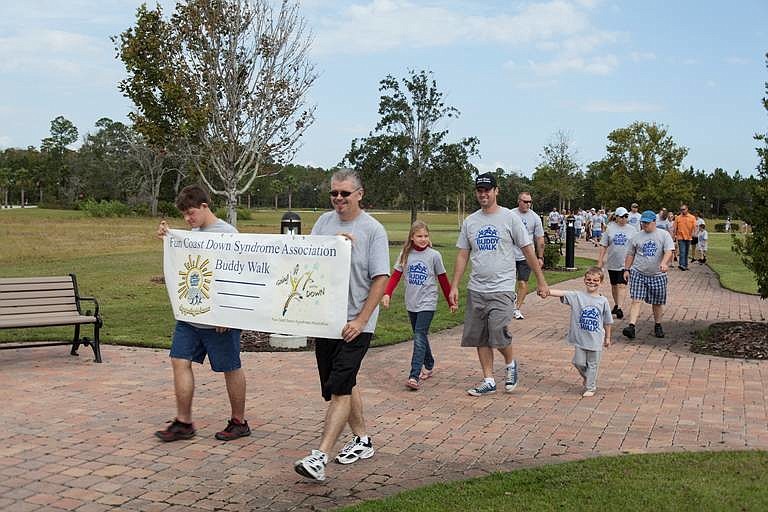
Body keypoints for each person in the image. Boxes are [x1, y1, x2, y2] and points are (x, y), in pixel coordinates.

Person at [294, 169, 390, 482]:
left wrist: (361, 321)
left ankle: (319, 457)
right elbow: (307, 260)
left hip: (356, 323)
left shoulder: (373, 230)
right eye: (334, 193)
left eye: (344, 194)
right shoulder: (324, 223)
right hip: (327, 320)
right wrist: (335, 247)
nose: (338, 199)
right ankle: (362, 440)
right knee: (341, 384)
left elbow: (381, 279)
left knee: (339, 388)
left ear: (359, 194)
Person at [154, 185, 251, 443]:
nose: (188, 218)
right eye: (184, 215)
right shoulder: (193, 234)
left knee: (230, 367)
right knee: (179, 360)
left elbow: (236, 276)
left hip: (219, 318)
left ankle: (239, 422)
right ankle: (184, 422)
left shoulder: (228, 234)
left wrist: (226, 313)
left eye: (191, 212)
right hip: (191, 315)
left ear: (205, 206)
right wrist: (169, 237)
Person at [449, 173, 550, 397]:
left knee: (497, 330)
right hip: (477, 288)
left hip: (502, 287)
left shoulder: (509, 218)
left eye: (487, 190)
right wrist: (454, 286)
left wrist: (541, 280)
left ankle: (511, 363)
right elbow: (463, 255)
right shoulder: (470, 221)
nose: (483, 194)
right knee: (480, 337)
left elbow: (527, 249)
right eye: (479, 190)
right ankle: (488, 379)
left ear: (496, 191)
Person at [381, 220, 456, 390]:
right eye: (419, 236)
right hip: (411, 302)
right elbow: (395, 276)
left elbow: (443, 279)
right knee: (419, 334)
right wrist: (387, 293)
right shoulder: (405, 255)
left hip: (428, 301)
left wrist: (450, 300)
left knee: (419, 335)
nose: (423, 239)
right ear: (412, 237)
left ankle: (414, 376)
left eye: (426, 236)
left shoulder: (434, 255)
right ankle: (429, 364)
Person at [547, 267, 612, 397]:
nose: (592, 282)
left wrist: (608, 338)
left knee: (593, 364)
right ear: (584, 280)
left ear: (601, 282)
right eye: (589, 279)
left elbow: (607, 321)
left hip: (596, 339)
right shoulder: (578, 296)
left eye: (595, 280)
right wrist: (546, 291)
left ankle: (590, 387)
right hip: (580, 338)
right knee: (578, 362)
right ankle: (589, 378)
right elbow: (562, 293)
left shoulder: (603, 301)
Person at [621, 210, 675, 340]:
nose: (644, 225)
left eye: (647, 223)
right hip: (639, 272)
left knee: (657, 302)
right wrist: (626, 269)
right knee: (636, 300)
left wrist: (664, 263)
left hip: (657, 275)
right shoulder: (637, 236)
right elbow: (630, 254)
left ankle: (658, 325)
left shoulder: (664, 235)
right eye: (643, 223)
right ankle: (631, 326)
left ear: (654, 222)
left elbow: (669, 251)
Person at [596, 206, 636, 320]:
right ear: (616, 217)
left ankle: (619, 308)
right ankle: (617, 304)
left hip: (626, 263)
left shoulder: (632, 230)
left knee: (622, 285)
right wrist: (600, 261)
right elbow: (604, 245)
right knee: (614, 286)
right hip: (613, 262)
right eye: (621, 217)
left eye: (626, 216)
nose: (624, 219)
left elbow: (636, 246)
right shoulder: (610, 229)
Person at [511, 191, 545, 320]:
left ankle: (517, 308)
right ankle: (511, 297)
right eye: (525, 201)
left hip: (526, 256)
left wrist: (540, 257)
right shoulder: (511, 214)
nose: (528, 204)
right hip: (510, 255)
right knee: (507, 282)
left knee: (523, 282)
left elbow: (539, 238)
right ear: (519, 201)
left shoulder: (535, 218)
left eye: (530, 202)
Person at [674, 204, 696, 271]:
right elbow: (675, 227)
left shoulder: (692, 217)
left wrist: (694, 234)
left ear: (687, 209)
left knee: (686, 252)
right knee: (682, 251)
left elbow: (694, 227)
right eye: (681, 210)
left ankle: (685, 265)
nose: (682, 211)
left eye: (684, 209)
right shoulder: (678, 218)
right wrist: (674, 236)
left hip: (688, 237)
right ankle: (681, 265)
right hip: (680, 237)